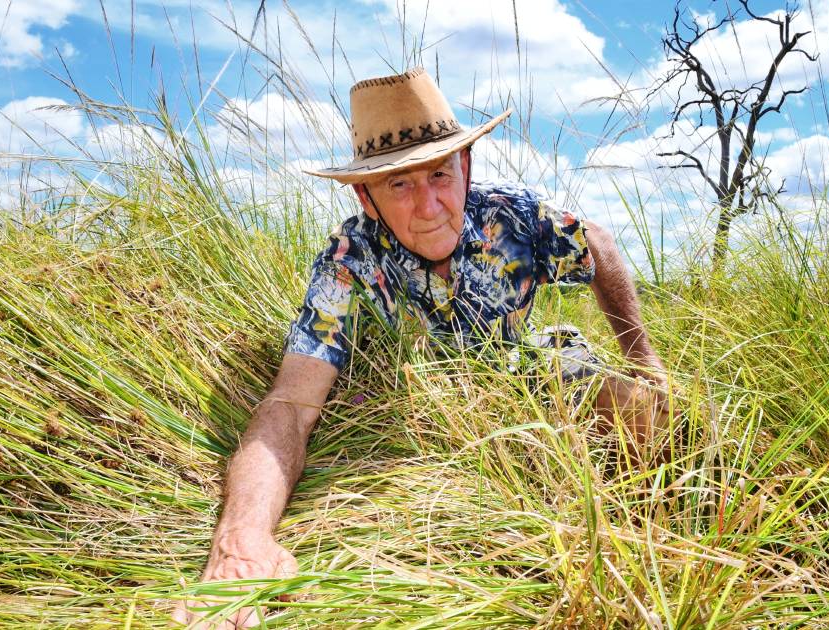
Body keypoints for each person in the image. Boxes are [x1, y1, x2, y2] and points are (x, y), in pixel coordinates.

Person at [173, 67, 669, 628]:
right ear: (365, 195)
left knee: (651, 414)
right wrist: (244, 538)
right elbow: (290, 405)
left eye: (440, 174)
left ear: (467, 166)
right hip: (416, 410)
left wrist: (642, 357)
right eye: (400, 184)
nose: (430, 205)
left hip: (523, 365)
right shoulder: (347, 263)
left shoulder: (513, 215)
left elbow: (597, 244)